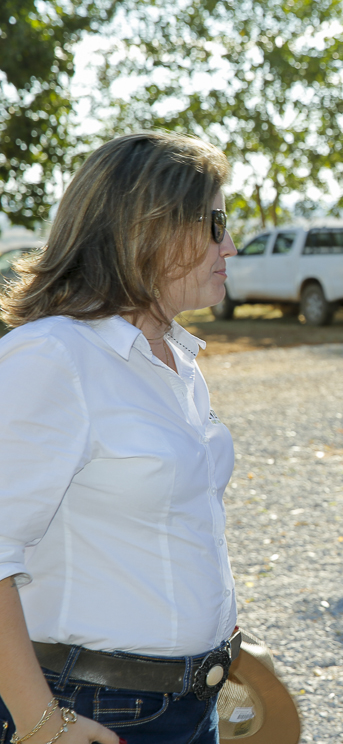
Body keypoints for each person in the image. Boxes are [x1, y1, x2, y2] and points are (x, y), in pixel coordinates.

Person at [0, 132, 240, 744]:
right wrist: (39, 721)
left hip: (188, 704)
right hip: (92, 711)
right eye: (214, 224)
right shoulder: (53, 356)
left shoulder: (176, 362)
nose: (230, 246)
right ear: (146, 229)